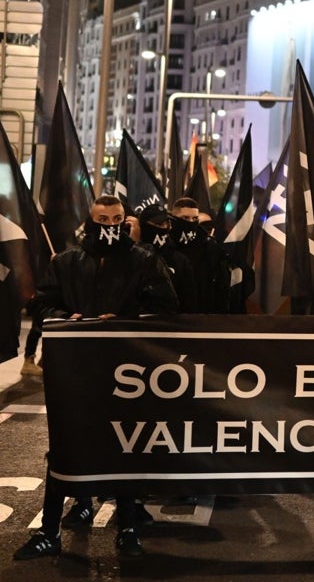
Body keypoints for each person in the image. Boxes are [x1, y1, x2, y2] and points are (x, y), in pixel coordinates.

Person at [14, 195, 179, 561]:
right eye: (102, 218)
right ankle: (50, 530)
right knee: (66, 445)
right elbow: (40, 303)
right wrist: (65, 316)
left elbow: (165, 308)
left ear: (125, 219)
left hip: (126, 373)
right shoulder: (69, 261)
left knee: (122, 444)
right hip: (74, 372)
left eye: (116, 218)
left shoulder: (143, 261)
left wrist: (124, 322)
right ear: (90, 220)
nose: (109, 224)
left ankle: (128, 527)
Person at [170, 197, 234, 314]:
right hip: (174, 316)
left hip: (203, 314)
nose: (190, 222)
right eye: (185, 218)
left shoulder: (209, 247)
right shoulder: (167, 245)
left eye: (194, 218)